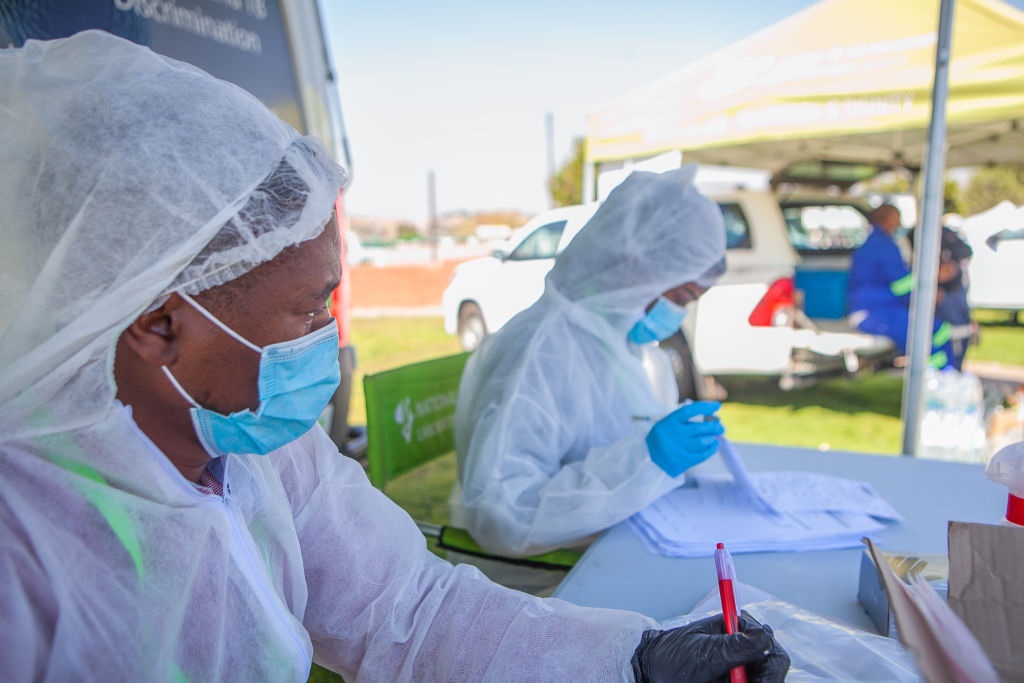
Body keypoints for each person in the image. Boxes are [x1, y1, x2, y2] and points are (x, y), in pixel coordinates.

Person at [0, 31, 790, 682]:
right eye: (307, 308)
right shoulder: (27, 545)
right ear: (160, 323)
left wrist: (633, 658)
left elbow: (409, 608)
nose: (325, 337)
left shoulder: (263, 451)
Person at [454, 167, 729, 559]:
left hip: (609, 545)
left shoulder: (618, 341)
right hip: (545, 584)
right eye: (681, 296)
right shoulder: (540, 354)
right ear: (636, 271)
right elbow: (501, 515)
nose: (678, 313)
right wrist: (644, 461)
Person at [847, 203, 954, 369]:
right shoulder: (881, 245)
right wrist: (928, 291)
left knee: (940, 329)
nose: (899, 223)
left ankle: (948, 375)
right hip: (873, 313)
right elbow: (901, 284)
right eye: (897, 218)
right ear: (887, 219)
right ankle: (936, 380)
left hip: (885, 309)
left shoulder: (879, 242)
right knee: (921, 339)